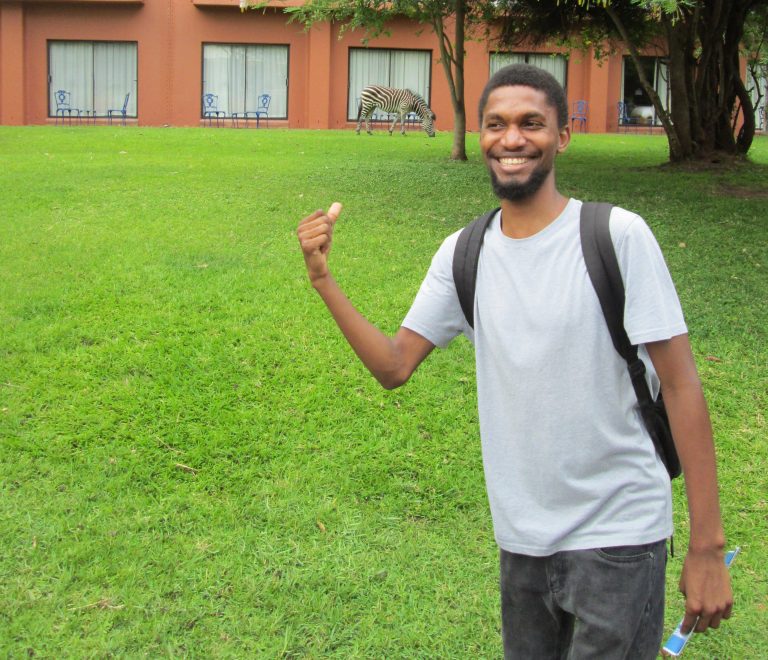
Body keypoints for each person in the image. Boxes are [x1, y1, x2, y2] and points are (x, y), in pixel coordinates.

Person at [296, 64, 733, 658]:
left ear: (562, 136)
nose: (512, 139)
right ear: (479, 136)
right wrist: (324, 281)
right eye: (496, 124)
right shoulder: (463, 253)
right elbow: (394, 365)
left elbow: (681, 385)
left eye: (532, 123)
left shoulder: (617, 236)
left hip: (619, 538)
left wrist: (707, 548)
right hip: (522, 542)